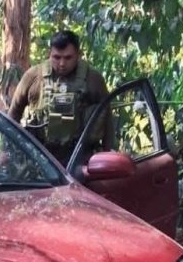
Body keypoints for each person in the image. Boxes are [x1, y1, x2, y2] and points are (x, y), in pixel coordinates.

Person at [8, 30, 110, 166]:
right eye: (56, 57)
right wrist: (7, 150)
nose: (62, 63)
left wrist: (108, 153)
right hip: (40, 157)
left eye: (68, 58)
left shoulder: (93, 79)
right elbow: (13, 114)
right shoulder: (33, 77)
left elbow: (107, 119)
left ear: (78, 55)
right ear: (49, 54)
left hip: (80, 157)